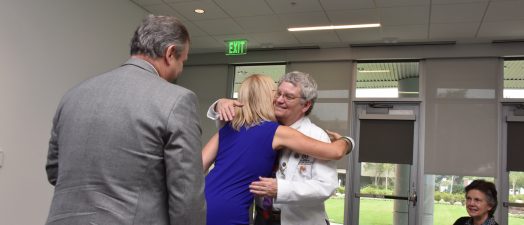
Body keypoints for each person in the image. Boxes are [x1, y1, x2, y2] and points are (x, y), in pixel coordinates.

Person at [45, 15, 205, 225]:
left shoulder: (73, 95)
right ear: (170, 53)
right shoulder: (177, 100)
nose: (180, 69)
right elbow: (186, 195)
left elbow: (54, 170)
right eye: (182, 61)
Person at [208, 71, 354, 225]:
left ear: (306, 105)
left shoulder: (316, 136)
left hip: (298, 221)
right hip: (261, 218)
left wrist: (281, 189)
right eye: (278, 93)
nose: (279, 100)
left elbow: (326, 187)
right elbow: (230, 129)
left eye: (288, 97)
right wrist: (219, 104)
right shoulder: (261, 127)